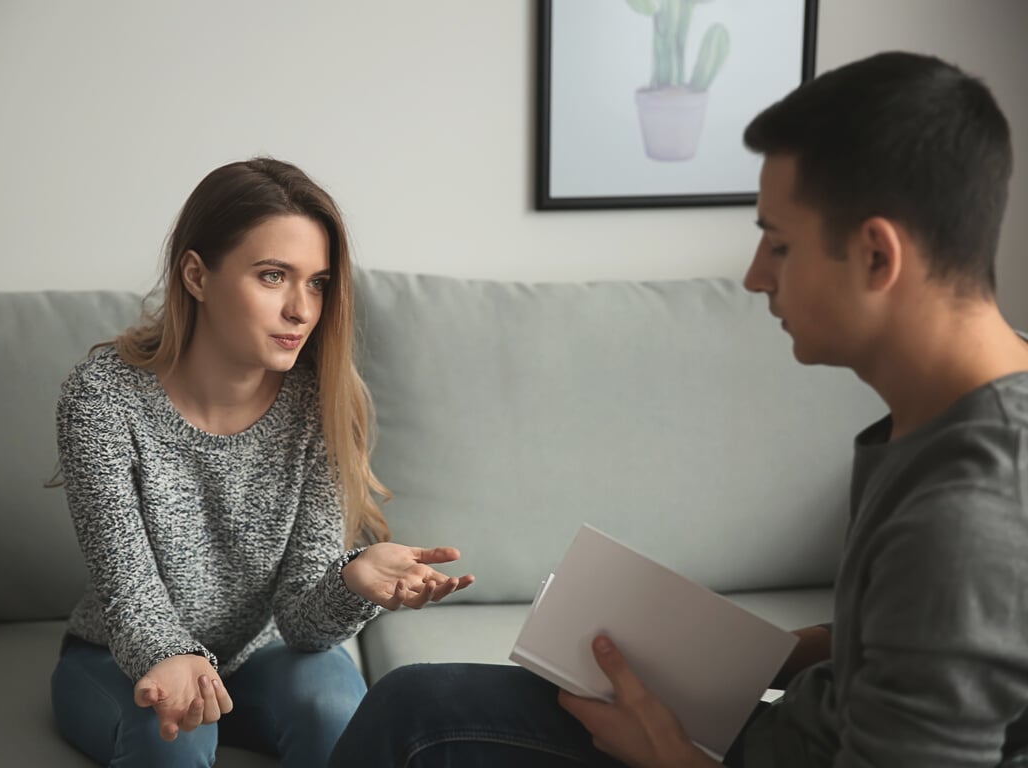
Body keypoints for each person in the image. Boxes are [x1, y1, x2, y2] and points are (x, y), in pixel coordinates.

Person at [327, 51, 1028, 768]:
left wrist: (669, 757)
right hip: (773, 734)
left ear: (878, 257)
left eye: (779, 244)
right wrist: (747, 657)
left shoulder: (969, 518)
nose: (756, 276)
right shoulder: (953, 420)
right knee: (416, 703)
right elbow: (895, 643)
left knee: (415, 723)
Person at [50, 157, 474, 768]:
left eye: (318, 282)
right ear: (196, 275)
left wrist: (354, 579)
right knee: (175, 735)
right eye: (274, 276)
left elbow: (304, 624)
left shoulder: (323, 402)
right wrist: (170, 656)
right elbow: (130, 591)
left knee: (333, 708)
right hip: (121, 658)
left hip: (263, 658)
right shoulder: (102, 397)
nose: (301, 310)